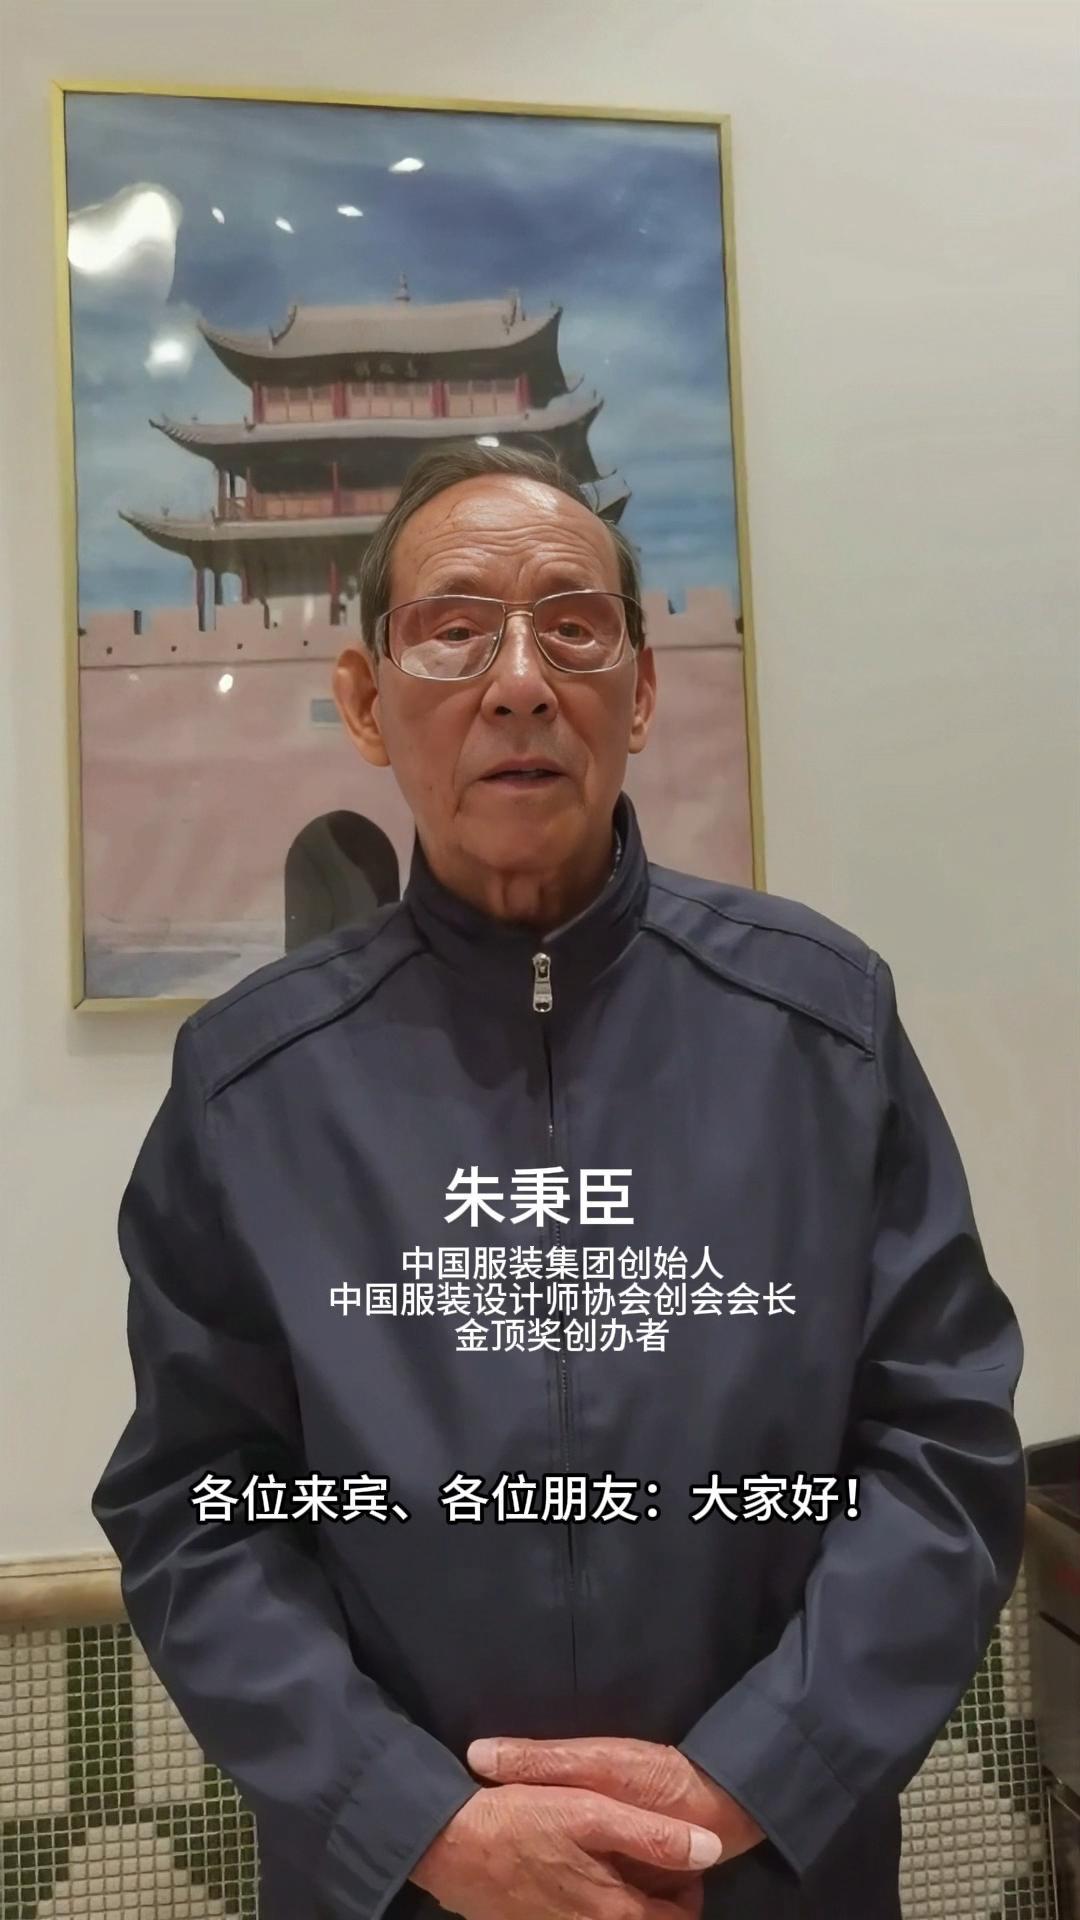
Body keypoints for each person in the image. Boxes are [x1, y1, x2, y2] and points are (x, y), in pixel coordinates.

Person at [92, 443, 1027, 1920]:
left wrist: (748, 1783)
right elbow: (199, 1508)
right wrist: (424, 1822)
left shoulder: (821, 1027)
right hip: (410, 1888)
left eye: (573, 628)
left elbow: (942, 1448)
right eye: (455, 629)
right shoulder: (251, 1085)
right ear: (365, 700)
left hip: (762, 1875)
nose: (520, 683)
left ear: (640, 693)